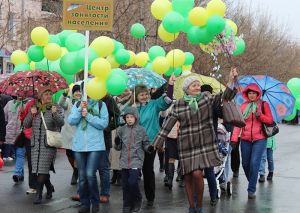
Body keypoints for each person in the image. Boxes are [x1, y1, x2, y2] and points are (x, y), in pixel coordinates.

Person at [154, 70, 238, 213]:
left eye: (198, 85)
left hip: (203, 144)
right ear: (187, 89)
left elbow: (225, 97)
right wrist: (156, 143)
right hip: (186, 144)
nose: (198, 87)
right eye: (194, 85)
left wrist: (231, 81)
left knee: (198, 174)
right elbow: (167, 125)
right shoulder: (179, 104)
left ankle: (198, 206)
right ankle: (191, 207)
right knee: (187, 176)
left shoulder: (207, 98)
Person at [128, 76, 175, 207]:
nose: (144, 96)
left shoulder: (154, 105)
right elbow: (124, 122)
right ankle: (135, 197)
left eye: (146, 94)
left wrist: (170, 85)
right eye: (141, 95)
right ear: (136, 96)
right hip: (135, 144)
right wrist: (130, 112)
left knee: (147, 169)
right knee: (134, 172)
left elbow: (168, 100)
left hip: (150, 143)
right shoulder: (132, 108)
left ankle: (150, 197)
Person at [231, 83, 274, 199]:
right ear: (246, 94)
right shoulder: (243, 106)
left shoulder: (263, 104)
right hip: (245, 139)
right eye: (249, 93)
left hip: (260, 139)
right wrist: (234, 138)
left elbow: (270, 120)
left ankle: (251, 189)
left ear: (258, 94)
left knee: (255, 163)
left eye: (254, 93)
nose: (251, 95)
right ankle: (252, 181)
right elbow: (238, 124)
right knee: (245, 164)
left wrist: (260, 116)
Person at [24, 87, 64, 204]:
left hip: (48, 145)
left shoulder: (55, 107)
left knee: (42, 170)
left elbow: (61, 122)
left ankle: (38, 194)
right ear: (40, 96)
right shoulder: (35, 108)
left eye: (49, 94)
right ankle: (50, 187)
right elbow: (26, 125)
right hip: (35, 145)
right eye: (45, 94)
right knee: (39, 170)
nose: (48, 96)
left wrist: (54, 113)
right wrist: (31, 114)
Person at [68, 97, 109, 213]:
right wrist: (80, 109)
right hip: (79, 146)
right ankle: (85, 204)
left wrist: (88, 116)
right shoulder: (77, 104)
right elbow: (71, 121)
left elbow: (104, 124)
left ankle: (95, 202)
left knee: (90, 174)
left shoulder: (101, 104)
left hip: (95, 145)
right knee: (82, 177)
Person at [114, 107, 153, 213]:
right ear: (125, 118)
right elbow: (117, 148)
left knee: (132, 182)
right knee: (125, 185)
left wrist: (149, 148)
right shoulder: (122, 130)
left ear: (136, 118)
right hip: (124, 160)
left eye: (132, 117)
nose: (129, 119)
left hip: (136, 159)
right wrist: (117, 142)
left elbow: (145, 143)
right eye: (127, 117)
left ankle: (137, 199)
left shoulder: (141, 129)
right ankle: (126, 204)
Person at [98, 94, 120, 203]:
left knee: (103, 167)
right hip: (86, 139)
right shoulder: (85, 97)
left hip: (103, 139)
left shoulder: (108, 99)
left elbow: (117, 116)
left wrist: (107, 127)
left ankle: (104, 193)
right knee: (86, 169)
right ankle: (83, 192)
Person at [59, 84, 82, 185]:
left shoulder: (83, 102)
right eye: (76, 91)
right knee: (69, 153)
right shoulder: (68, 101)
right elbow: (60, 103)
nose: (78, 93)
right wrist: (64, 94)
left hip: (78, 131)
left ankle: (76, 172)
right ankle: (75, 169)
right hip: (68, 132)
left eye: (79, 91)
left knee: (77, 154)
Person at [4, 97, 31, 182]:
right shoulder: (9, 103)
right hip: (10, 133)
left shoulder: (29, 104)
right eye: (18, 93)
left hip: (22, 134)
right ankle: (20, 174)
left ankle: (17, 173)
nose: (20, 95)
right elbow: (5, 117)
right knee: (17, 154)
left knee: (20, 154)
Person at [111, 89, 132, 186]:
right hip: (115, 127)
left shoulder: (132, 100)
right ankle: (115, 173)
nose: (125, 90)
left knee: (124, 151)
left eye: (127, 88)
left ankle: (121, 174)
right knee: (114, 151)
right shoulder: (114, 99)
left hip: (126, 128)